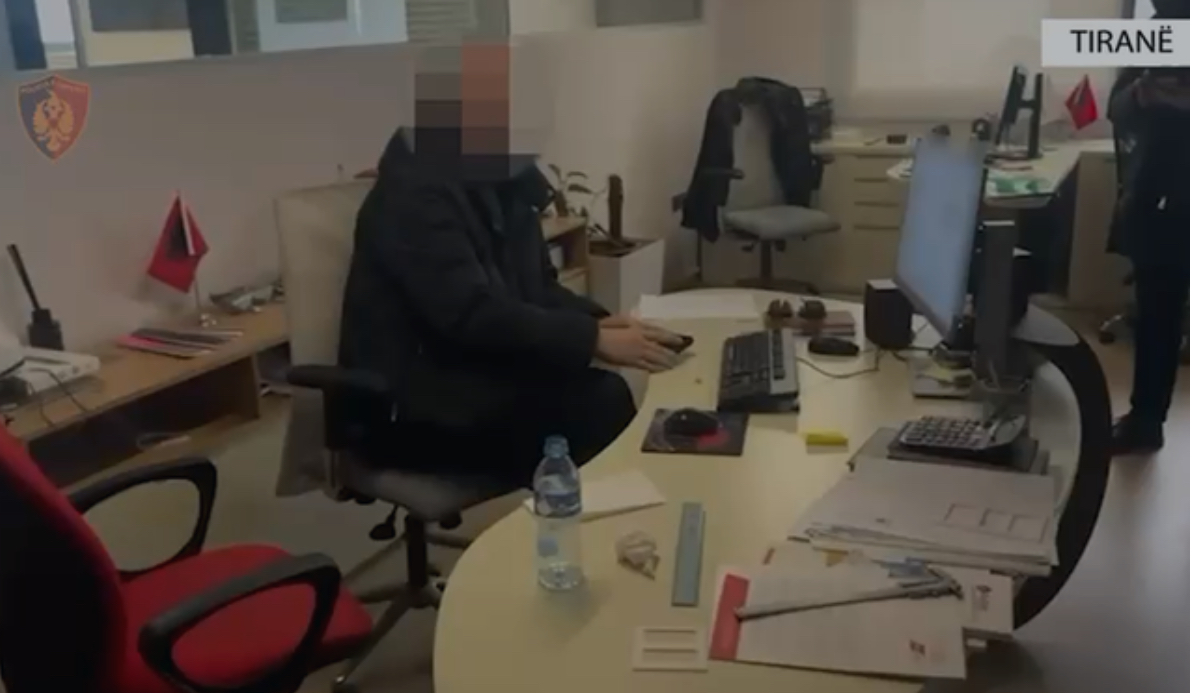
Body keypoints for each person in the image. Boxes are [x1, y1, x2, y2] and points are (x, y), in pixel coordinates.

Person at [338, 41, 682, 485]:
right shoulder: (412, 198)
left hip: (472, 372)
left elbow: (537, 288)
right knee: (598, 402)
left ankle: (610, 508)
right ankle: (593, 518)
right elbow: (470, 315)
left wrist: (599, 322)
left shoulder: (502, 183)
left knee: (597, 388)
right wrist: (591, 339)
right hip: (407, 404)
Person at [1106, 0, 1189, 454]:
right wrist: (1140, 94)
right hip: (1158, 201)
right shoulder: (1155, 33)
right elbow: (1115, 106)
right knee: (1157, 314)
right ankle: (1145, 421)